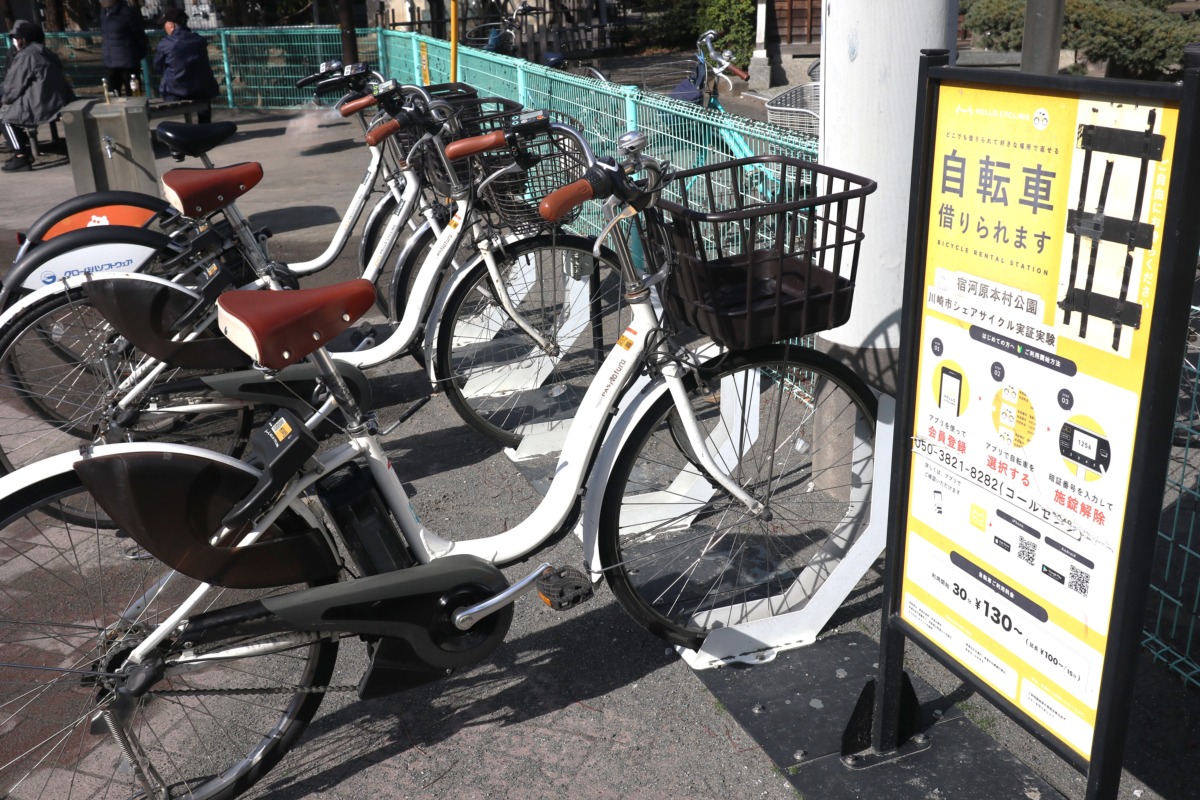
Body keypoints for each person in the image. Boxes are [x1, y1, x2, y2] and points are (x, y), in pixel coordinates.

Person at [2, 20, 75, 172]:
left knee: (5, 120)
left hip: (41, 103)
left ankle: (21, 156)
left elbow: (12, 87)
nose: (14, 42)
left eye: (16, 38)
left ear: (24, 39)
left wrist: (4, 100)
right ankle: (22, 149)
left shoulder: (26, 55)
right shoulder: (43, 51)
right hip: (54, 99)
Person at [154, 7, 218, 124]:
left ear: (172, 25)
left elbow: (158, 68)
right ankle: (205, 126)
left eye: (165, 24)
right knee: (202, 86)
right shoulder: (199, 40)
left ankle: (187, 129)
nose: (164, 27)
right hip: (202, 90)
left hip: (176, 91)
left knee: (171, 77)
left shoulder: (165, 44)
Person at [100, 0, 149, 97]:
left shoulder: (127, 13)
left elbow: (140, 36)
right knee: (112, 96)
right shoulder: (103, 13)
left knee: (134, 96)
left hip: (128, 64)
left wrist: (139, 54)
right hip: (110, 64)